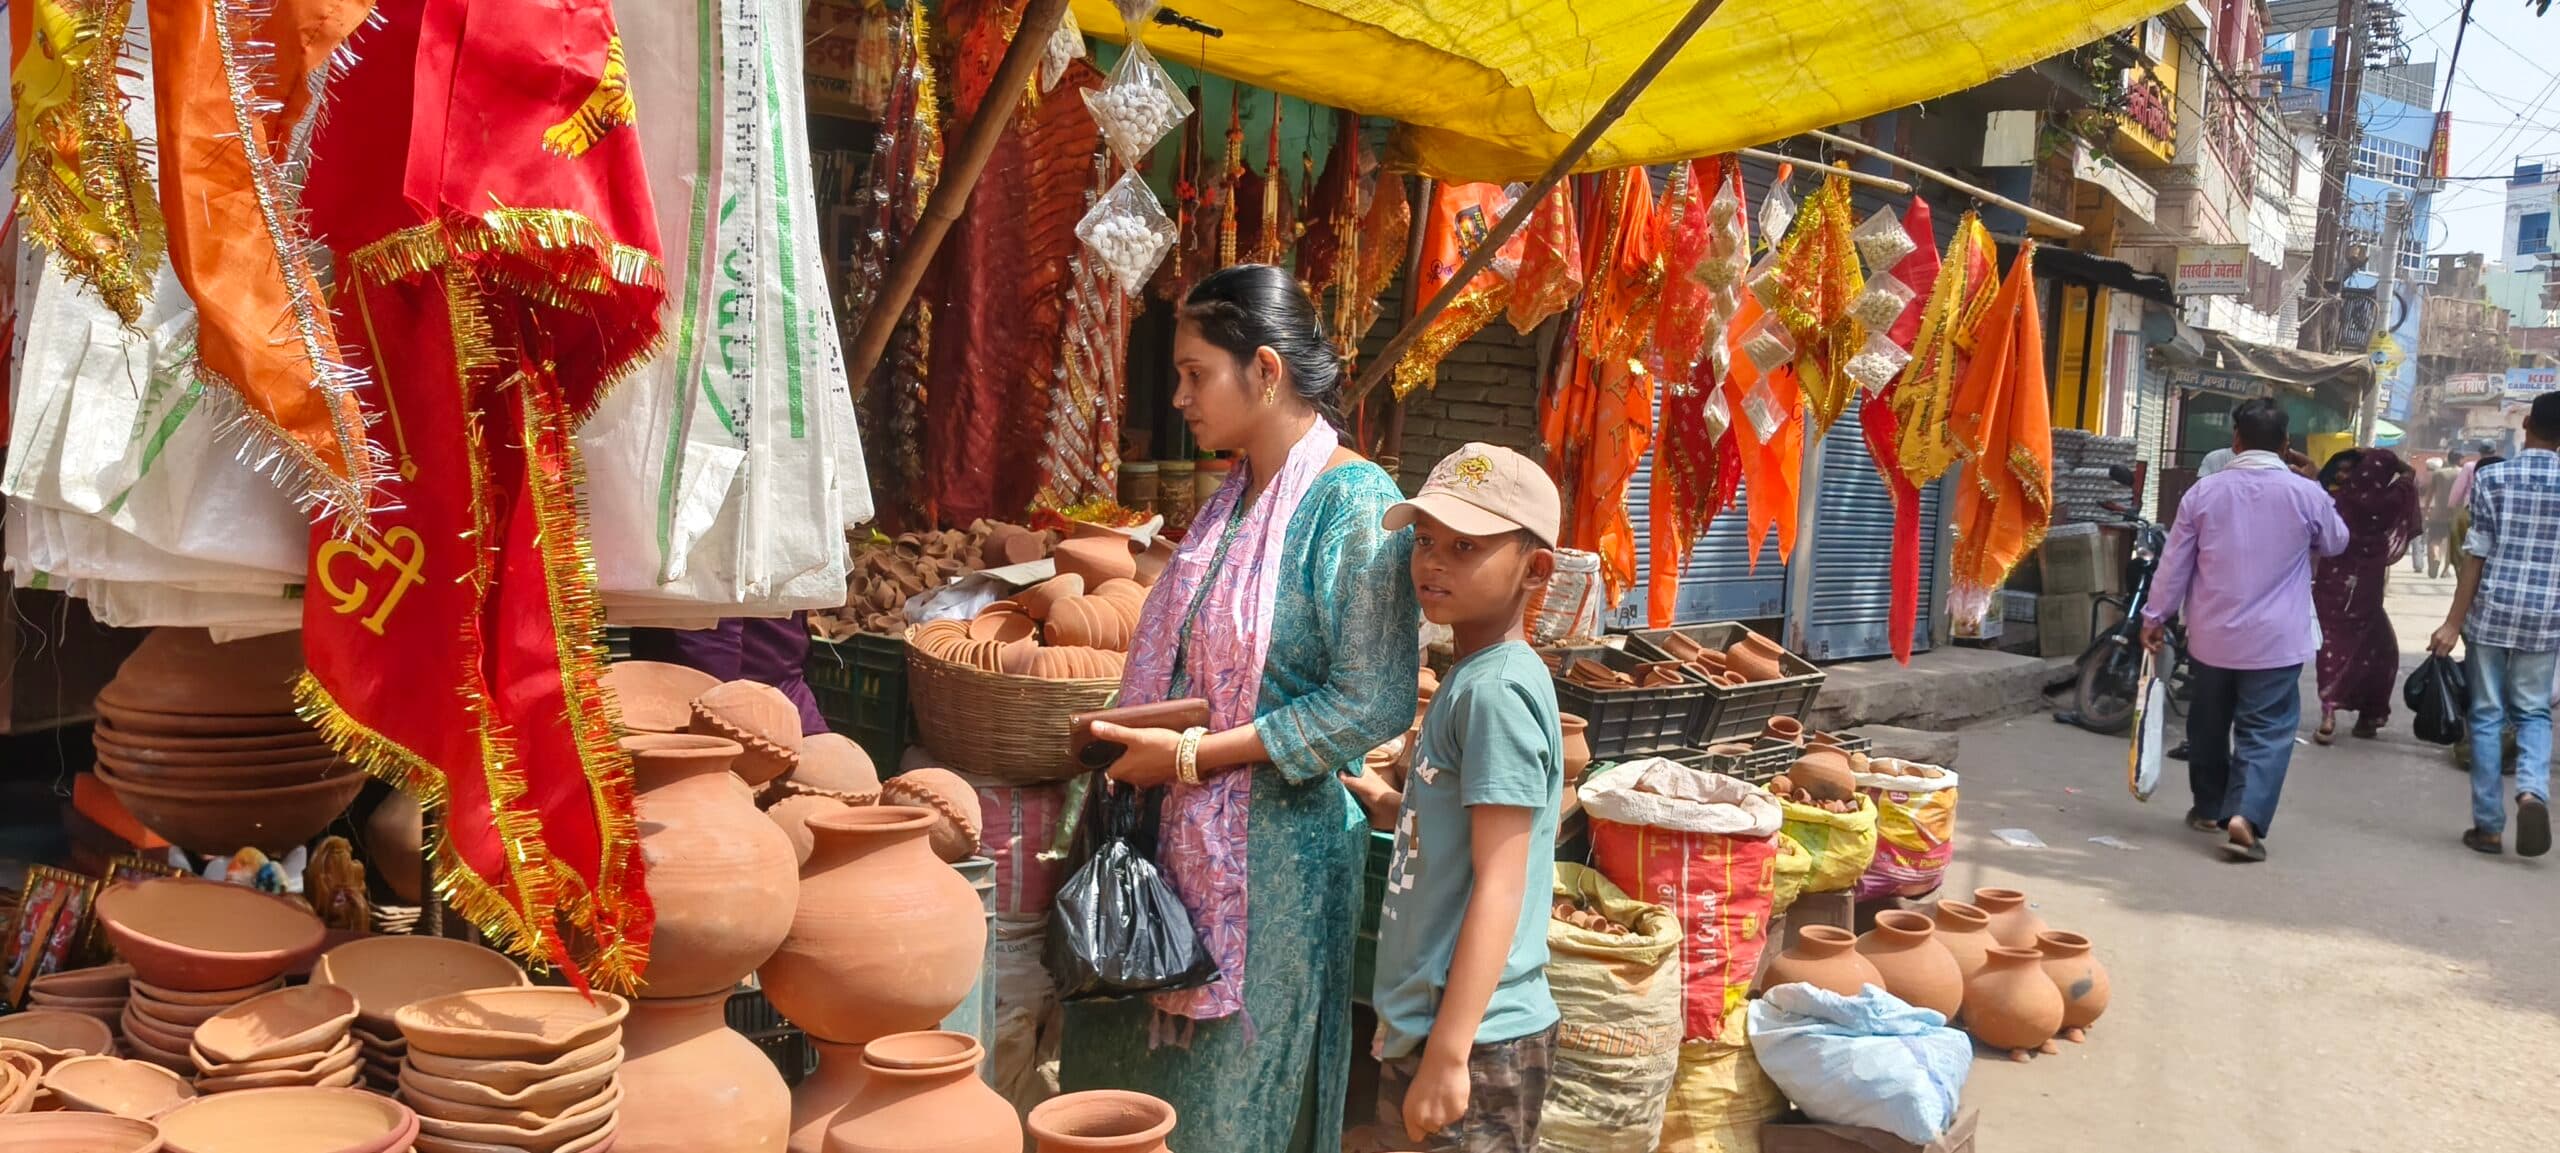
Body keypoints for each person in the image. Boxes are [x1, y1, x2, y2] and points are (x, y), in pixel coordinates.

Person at [1068, 264, 1421, 1153]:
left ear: (1265, 370)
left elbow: (1370, 698)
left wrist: (1191, 758)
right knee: (1138, 1109)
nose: (1180, 395)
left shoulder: (1356, 504)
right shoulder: (1232, 499)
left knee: (1235, 1110)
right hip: (1171, 850)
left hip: (1277, 876)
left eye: (1196, 374)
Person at [1361, 444, 1564, 1152]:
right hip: (1454, 1025)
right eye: (1424, 540)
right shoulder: (1479, 672)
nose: (1432, 561)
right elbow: (1459, 831)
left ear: (1535, 569)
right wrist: (1385, 805)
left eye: (1465, 545)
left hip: (1476, 1034)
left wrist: (1448, 1053)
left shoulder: (1495, 692)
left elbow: (1501, 880)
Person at [2141, 398, 2348, 862]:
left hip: (2213, 636)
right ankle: (2246, 816)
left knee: (2209, 722)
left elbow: (2174, 565)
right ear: (2285, 444)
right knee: (2267, 727)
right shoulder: (2305, 493)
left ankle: (2210, 808)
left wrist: (2155, 618)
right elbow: (2336, 541)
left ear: (2235, 440)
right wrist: (2317, 486)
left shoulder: (2204, 493)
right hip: (2276, 641)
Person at [2428, 393, 2560, 858]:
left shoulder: (2495, 477)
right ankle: (2530, 792)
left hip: (2492, 613)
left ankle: (2488, 826)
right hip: (2548, 618)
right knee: (2534, 712)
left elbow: (2475, 557)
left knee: (2486, 714)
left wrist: (2451, 622)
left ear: (2527, 424)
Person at [2311, 449, 2422, 743]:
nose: (2344, 475)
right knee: (2377, 649)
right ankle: (2364, 716)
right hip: (2365, 592)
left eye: (2351, 470)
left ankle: (2330, 713)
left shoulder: (2334, 501)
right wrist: (2391, 464)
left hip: (2332, 587)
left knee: (2333, 648)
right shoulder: (2389, 501)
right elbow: (2408, 476)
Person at [2422, 453, 2461, 577]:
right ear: (2459, 460)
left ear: (2447, 460)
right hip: (2456, 514)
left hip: (2438, 513)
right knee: (2451, 543)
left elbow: (2430, 494)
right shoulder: (2462, 473)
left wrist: (2426, 510)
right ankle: (2445, 570)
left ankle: (2436, 556)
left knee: (2435, 539)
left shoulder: (2438, 474)